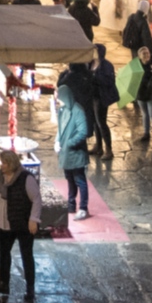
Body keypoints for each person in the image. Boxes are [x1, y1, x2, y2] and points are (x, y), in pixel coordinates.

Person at [0, 148, 43, 301]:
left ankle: (30, 288)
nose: (2, 166)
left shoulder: (26, 178)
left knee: (26, 255)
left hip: (22, 223)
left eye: (5, 163)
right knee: (4, 255)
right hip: (5, 225)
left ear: (12, 164)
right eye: (2, 163)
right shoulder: (0, 177)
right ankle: (4, 284)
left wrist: (33, 219)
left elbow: (36, 199)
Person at [55, 79, 92, 219]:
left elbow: (83, 132)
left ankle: (83, 208)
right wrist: (57, 141)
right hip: (66, 153)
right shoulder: (63, 110)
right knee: (69, 179)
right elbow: (60, 128)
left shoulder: (78, 111)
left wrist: (68, 143)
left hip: (75, 154)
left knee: (79, 180)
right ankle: (71, 204)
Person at [90, 45, 119, 160]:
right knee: (95, 122)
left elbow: (109, 81)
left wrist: (95, 78)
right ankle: (98, 146)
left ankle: (108, 149)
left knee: (101, 122)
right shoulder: (91, 63)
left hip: (102, 97)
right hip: (93, 96)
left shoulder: (106, 65)